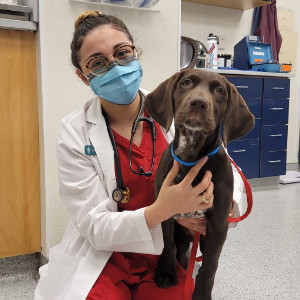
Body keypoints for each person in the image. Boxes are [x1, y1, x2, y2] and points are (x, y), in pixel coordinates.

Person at [34, 11, 239, 300]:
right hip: (105, 255)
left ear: (135, 52)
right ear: (83, 76)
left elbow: (222, 163)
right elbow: (93, 225)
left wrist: (222, 204)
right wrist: (163, 209)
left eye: (122, 52)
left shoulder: (169, 107)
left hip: (164, 252)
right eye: (97, 62)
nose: (115, 66)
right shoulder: (74, 132)